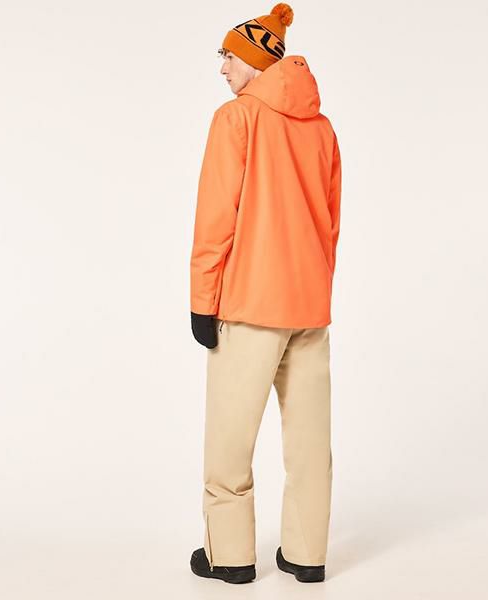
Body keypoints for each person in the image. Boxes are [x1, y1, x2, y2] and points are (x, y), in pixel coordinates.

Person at [188, 2, 342, 584]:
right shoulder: (322, 129)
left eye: (229, 56)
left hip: (250, 305)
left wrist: (202, 301)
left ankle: (229, 556)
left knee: (230, 439)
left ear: (256, 60)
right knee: (310, 441)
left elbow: (215, 220)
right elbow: (331, 224)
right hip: (309, 307)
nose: (222, 67)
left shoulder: (236, 119)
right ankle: (307, 554)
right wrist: (317, 288)